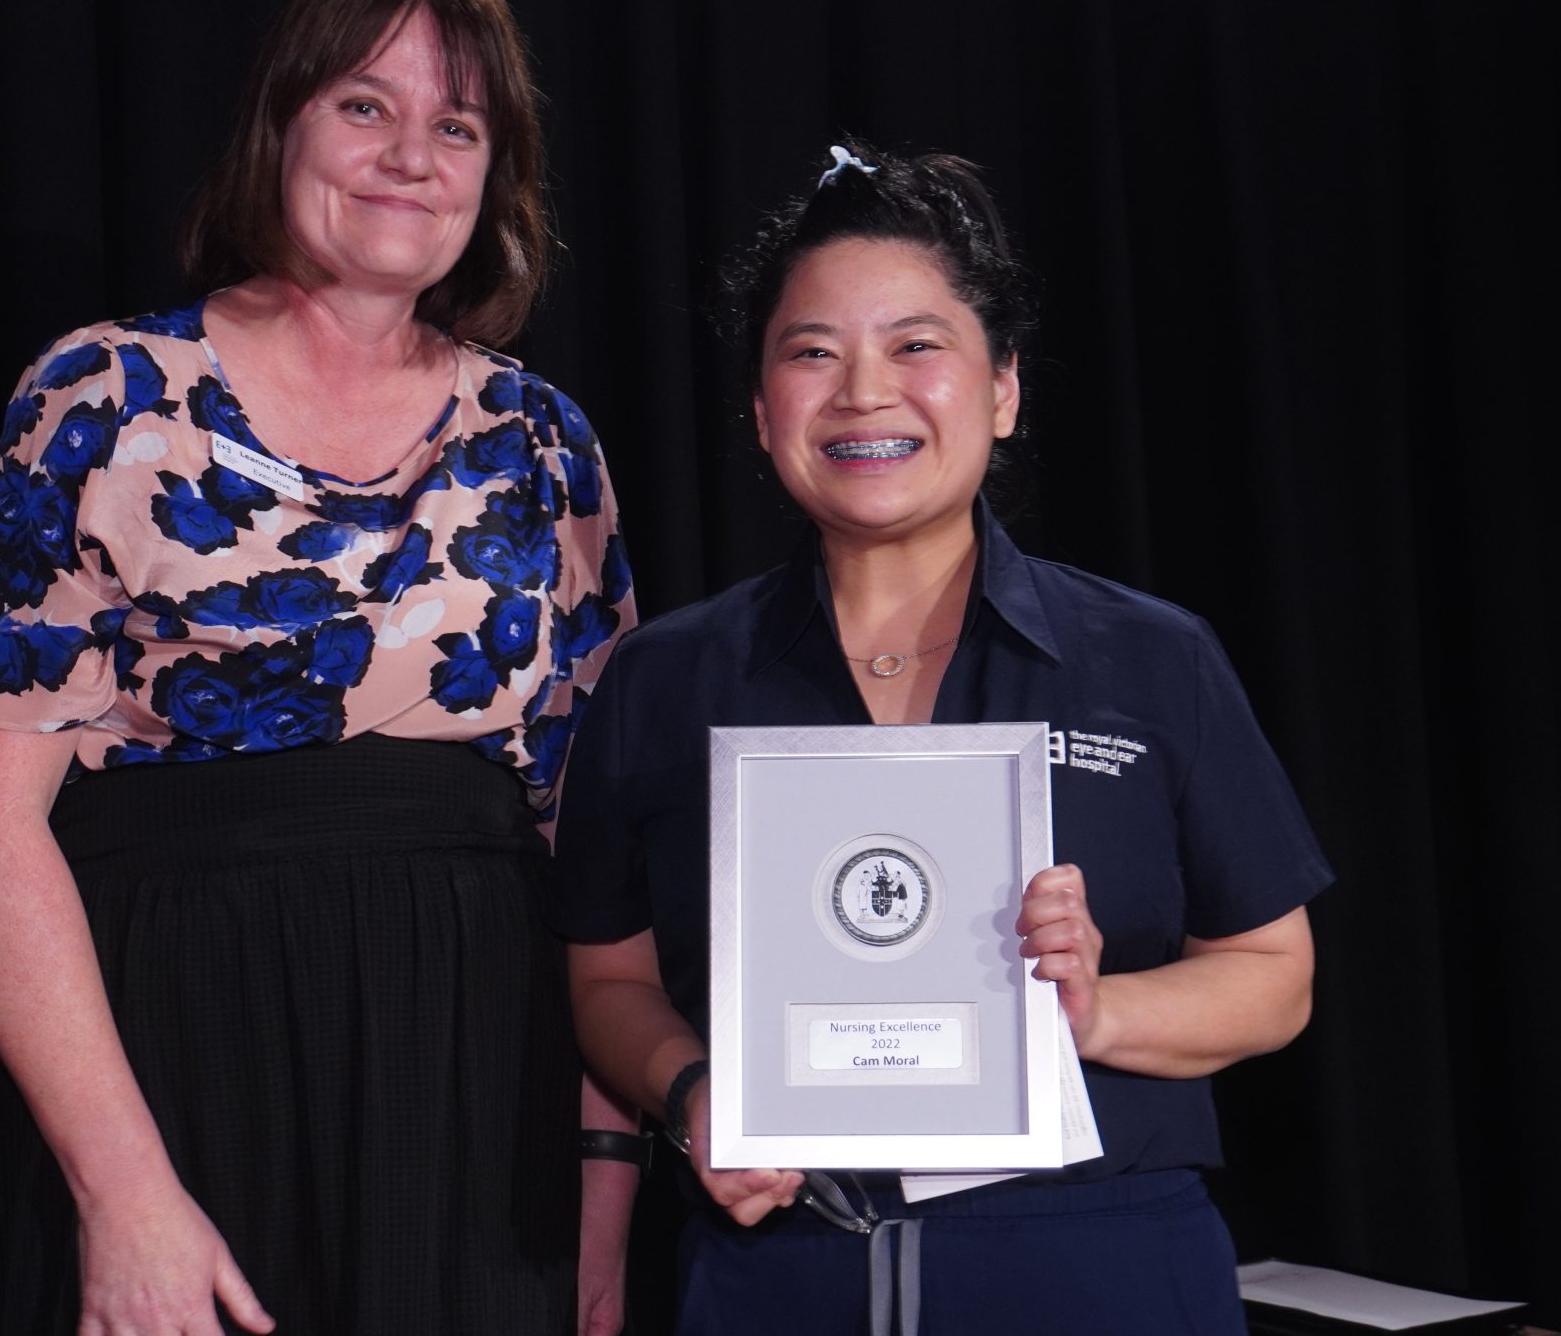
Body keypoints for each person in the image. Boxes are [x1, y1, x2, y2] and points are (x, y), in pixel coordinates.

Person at [0, 0, 639, 1336]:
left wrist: (604, 1180)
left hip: (472, 1107)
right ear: (282, 123)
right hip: (169, 1057)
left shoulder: (542, 440)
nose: (410, 155)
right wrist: (123, 1189)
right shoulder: (107, 396)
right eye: (366, 105)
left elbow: (597, 851)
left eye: (458, 125)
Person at [552, 144, 1333, 1334]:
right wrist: (694, 1089)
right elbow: (609, 978)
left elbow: (1276, 979)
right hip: (780, 1269)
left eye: (917, 345)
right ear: (764, 416)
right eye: (812, 352)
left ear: (1003, 388)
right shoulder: (667, 677)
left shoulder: (1149, 656)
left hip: (1096, 1263)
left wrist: (1095, 1010)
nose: (864, 390)